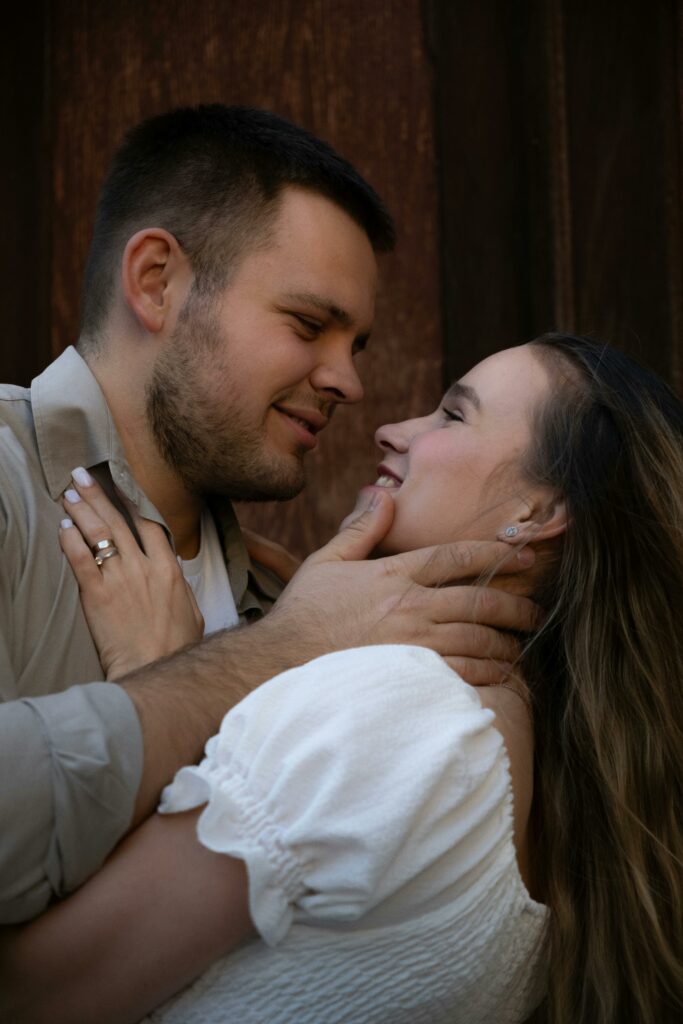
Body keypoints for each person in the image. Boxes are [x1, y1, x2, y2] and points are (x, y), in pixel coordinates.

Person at [3, 334, 681, 1024]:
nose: (393, 428)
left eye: (451, 415)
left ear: (534, 514)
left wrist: (156, 674)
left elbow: (30, 994)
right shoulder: (540, 765)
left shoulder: (395, 714)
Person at [0, 104, 536, 924]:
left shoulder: (288, 593)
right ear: (156, 282)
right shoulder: (9, 485)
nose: (347, 381)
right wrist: (278, 652)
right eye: (309, 324)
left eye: (353, 344)